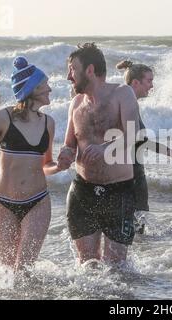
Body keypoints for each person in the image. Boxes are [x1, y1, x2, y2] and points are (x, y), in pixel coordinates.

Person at [0, 56, 63, 274]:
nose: (49, 88)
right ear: (32, 88)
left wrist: (60, 166)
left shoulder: (49, 123)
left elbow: (46, 165)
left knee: (23, 272)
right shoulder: (3, 117)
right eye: (45, 84)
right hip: (4, 205)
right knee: (7, 272)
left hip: (37, 202)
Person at [57, 43, 140, 265]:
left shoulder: (123, 93)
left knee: (116, 269)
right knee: (87, 266)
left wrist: (105, 149)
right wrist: (65, 154)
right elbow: (69, 144)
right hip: (83, 191)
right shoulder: (75, 103)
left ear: (90, 70)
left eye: (72, 69)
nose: (68, 76)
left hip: (119, 192)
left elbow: (134, 135)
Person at [116, 60, 172, 234]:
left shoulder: (122, 100)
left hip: (123, 170)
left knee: (129, 223)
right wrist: (167, 151)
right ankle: (136, 256)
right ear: (136, 82)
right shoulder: (129, 104)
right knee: (137, 223)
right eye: (149, 81)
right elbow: (137, 139)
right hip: (131, 172)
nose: (152, 85)